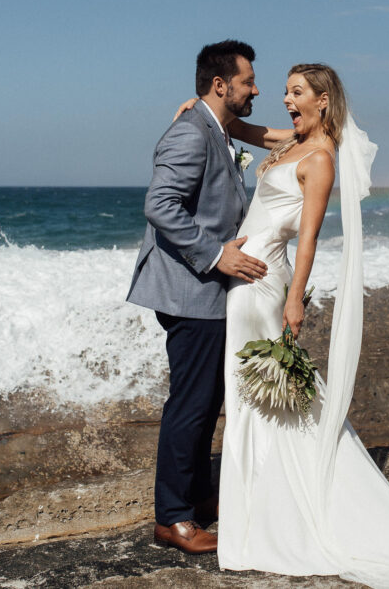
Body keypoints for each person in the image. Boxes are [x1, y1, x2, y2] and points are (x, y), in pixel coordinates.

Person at [183, 64, 389, 586]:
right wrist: (196, 112)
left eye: (296, 93)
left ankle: (279, 510)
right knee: (256, 395)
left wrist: (294, 302)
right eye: (285, 91)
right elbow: (243, 130)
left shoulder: (321, 157)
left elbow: (307, 239)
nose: (285, 100)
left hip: (263, 282)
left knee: (263, 395)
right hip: (247, 278)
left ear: (324, 101)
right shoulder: (292, 140)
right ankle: (259, 501)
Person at [126, 40, 270, 555]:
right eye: (248, 80)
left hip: (206, 293)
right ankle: (173, 519)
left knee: (208, 401)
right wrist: (216, 256)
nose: (256, 88)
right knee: (190, 405)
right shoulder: (191, 132)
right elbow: (160, 205)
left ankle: (197, 499)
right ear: (219, 84)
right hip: (191, 291)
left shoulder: (215, 128)